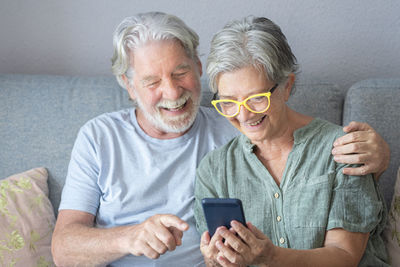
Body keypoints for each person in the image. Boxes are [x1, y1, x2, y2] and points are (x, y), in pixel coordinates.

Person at [51, 12, 389, 266]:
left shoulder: (239, 126)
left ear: (198, 68)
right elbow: (63, 248)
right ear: (129, 85)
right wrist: (132, 237)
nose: (172, 91)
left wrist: (380, 158)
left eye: (180, 72)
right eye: (152, 81)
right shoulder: (101, 138)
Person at [194, 16, 389, 267]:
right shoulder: (214, 169)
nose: (243, 115)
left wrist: (271, 257)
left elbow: (344, 255)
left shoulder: (344, 149)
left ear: (287, 86)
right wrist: (216, 260)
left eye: (256, 98)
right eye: (229, 102)